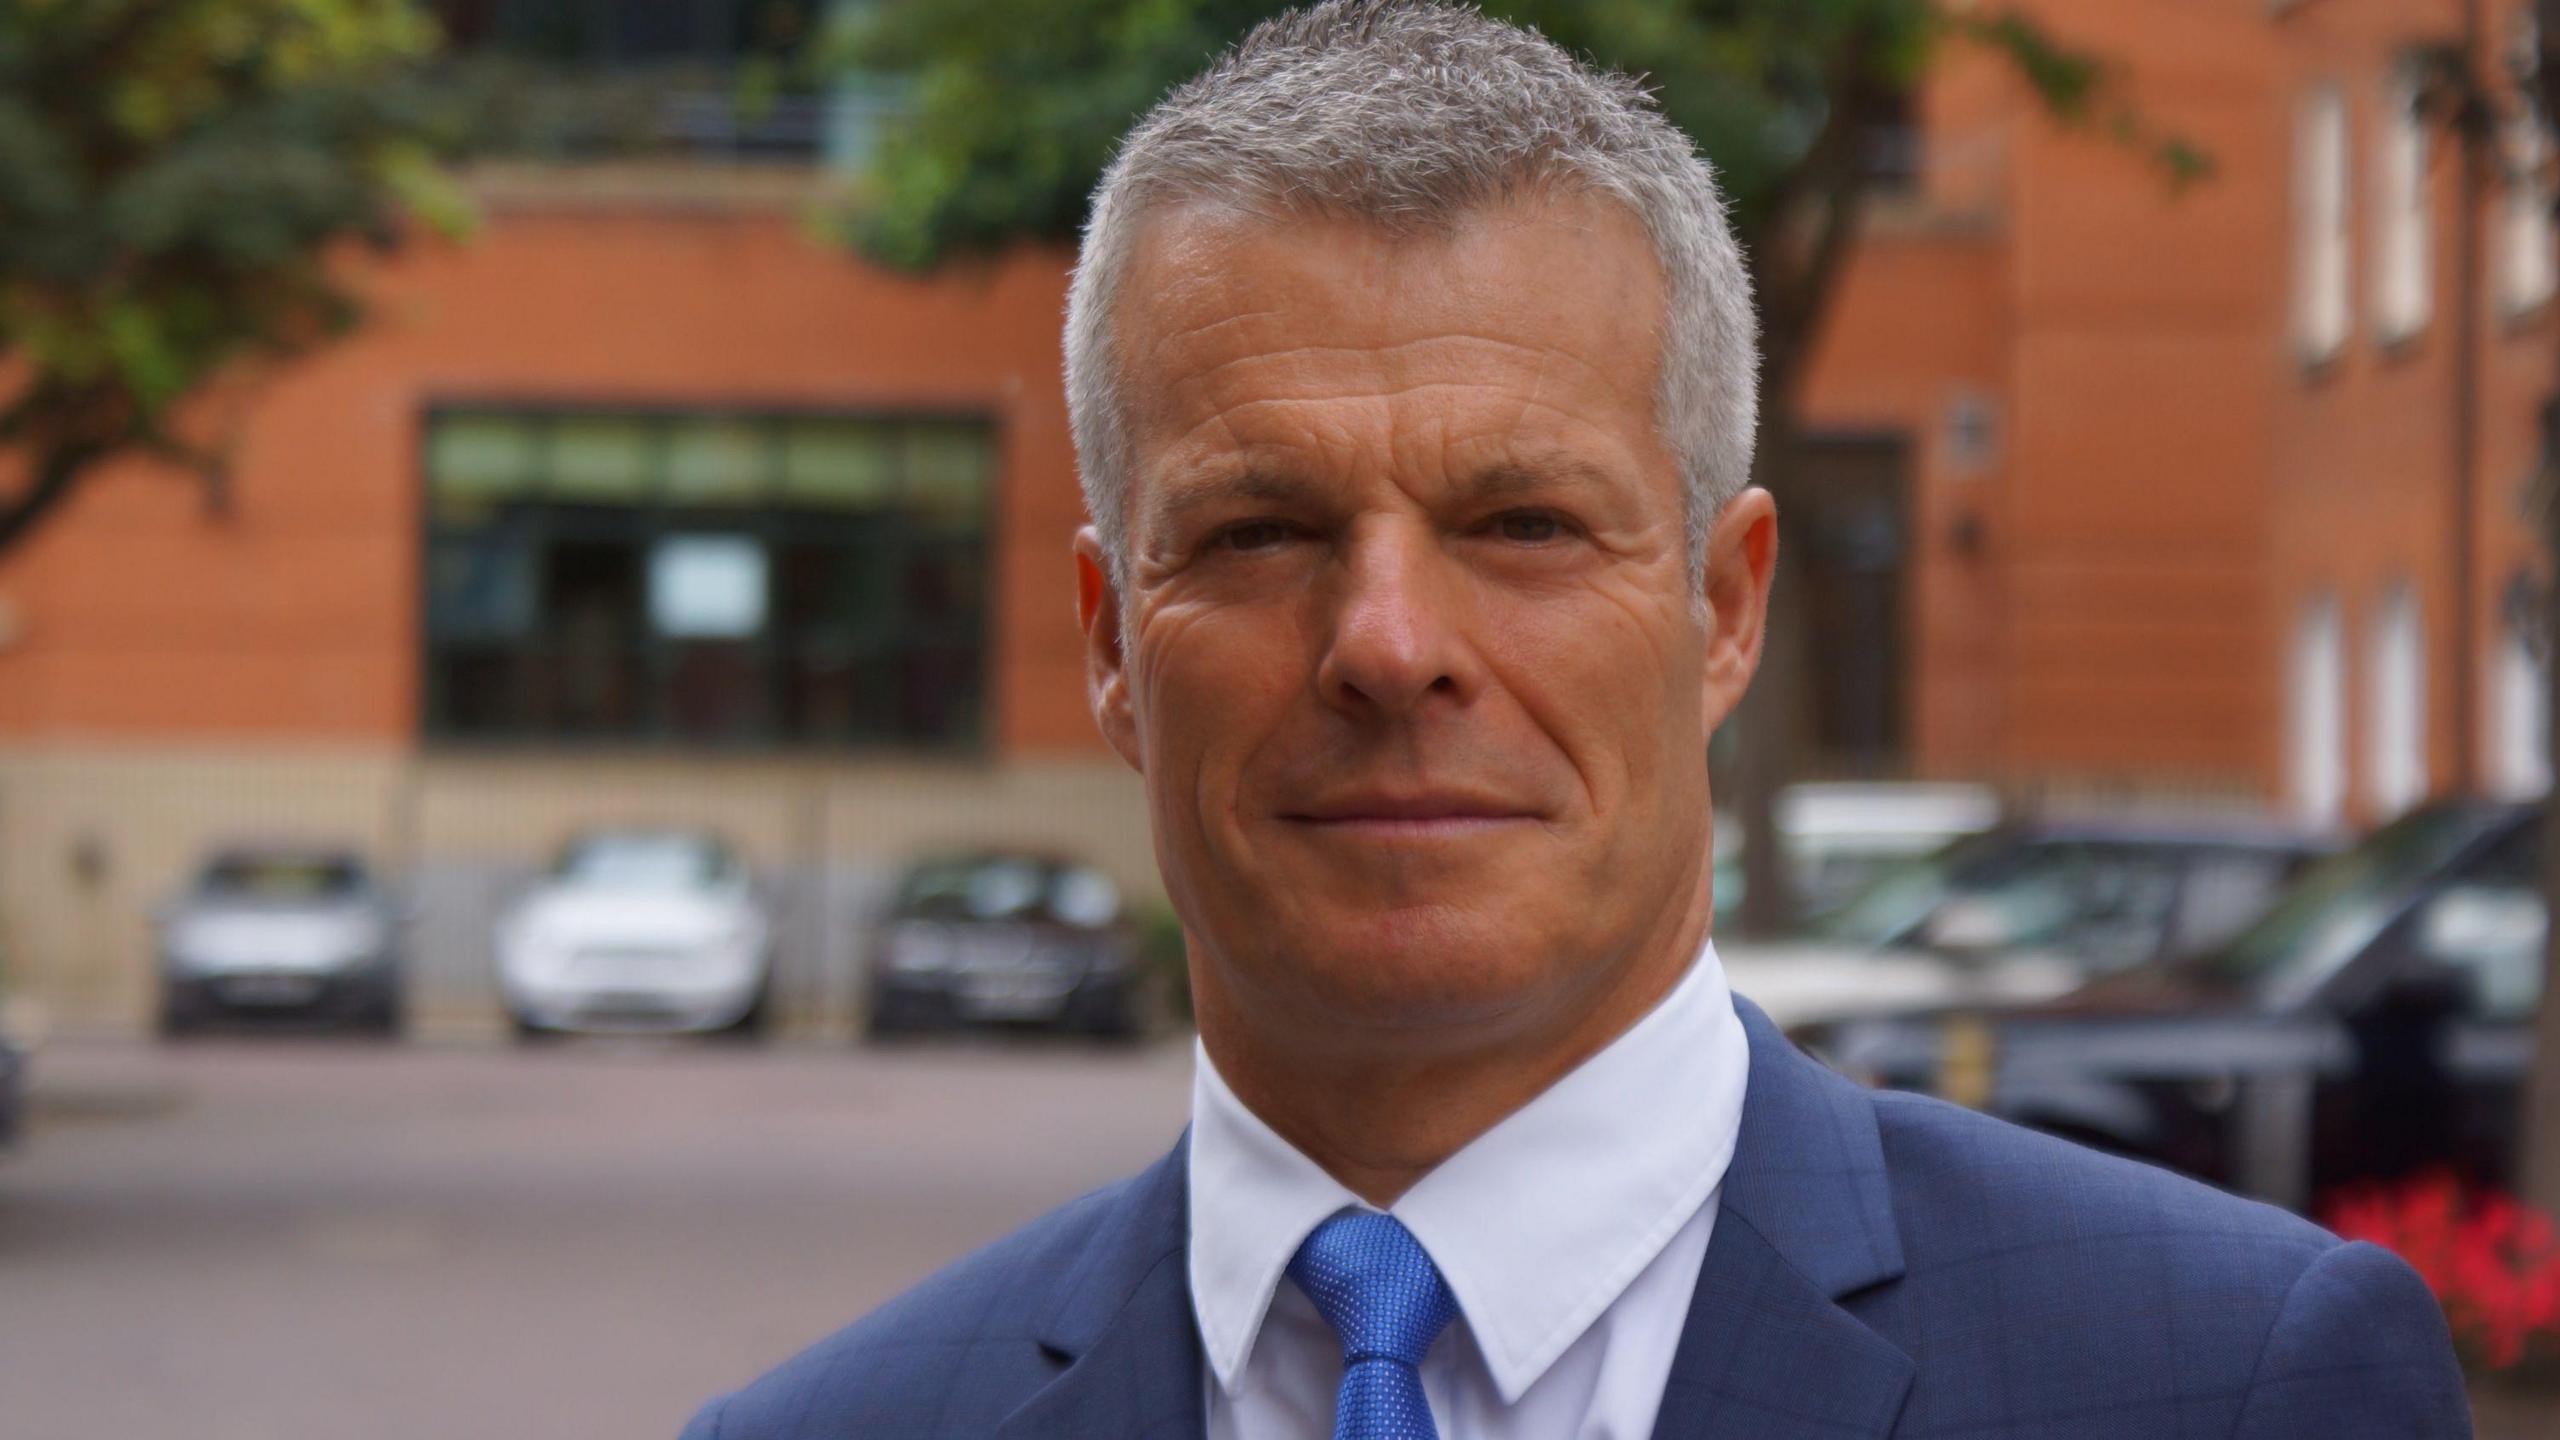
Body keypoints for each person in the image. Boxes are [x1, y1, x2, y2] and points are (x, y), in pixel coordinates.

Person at [682, 3, 2469, 1436]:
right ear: (1108, 643)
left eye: (1523, 524)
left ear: (1723, 606)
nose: (1389, 645)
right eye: (1261, 531)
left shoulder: (2225, 1385)